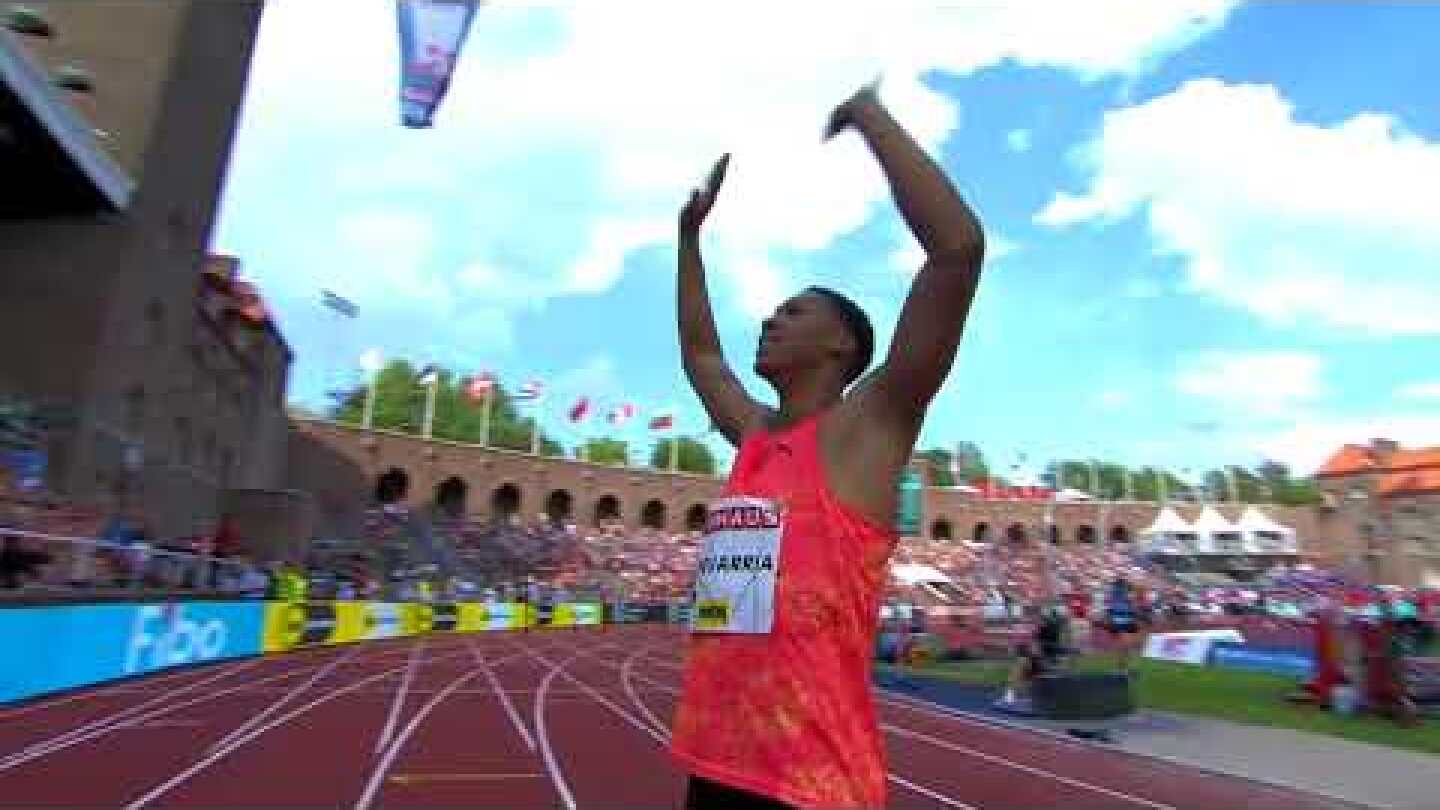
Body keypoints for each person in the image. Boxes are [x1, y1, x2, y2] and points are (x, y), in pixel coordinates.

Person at [669, 80, 986, 810]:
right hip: (715, 763)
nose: (771, 321)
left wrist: (869, 117)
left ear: (842, 344)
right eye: (772, 311)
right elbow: (701, 355)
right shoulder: (753, 434)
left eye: (793, 311)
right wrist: (690, 239)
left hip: (810, 783)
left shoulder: (867, 427)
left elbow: (957, 251)